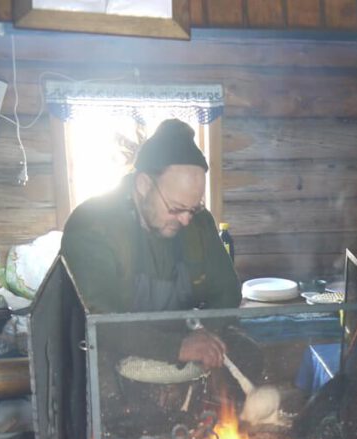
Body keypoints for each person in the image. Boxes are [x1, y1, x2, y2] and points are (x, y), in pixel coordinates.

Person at [60, 118, 240, 370]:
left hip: (184, 342)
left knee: (246, 354)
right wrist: (175, 347)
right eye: (177, 208)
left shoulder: (199, 223)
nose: (187, 220)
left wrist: (207, 335)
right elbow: (98, 320)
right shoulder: (92, 225)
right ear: (144, 185)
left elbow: (227, 292)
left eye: (194, 208)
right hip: (117, 355)